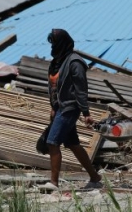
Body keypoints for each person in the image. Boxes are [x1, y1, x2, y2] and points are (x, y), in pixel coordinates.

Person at [44, 28, 103, 191]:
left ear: (63, 43)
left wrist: (86, 113)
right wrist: (52, 106)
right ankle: (95, 177)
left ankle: (54, 183)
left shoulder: (75, 62)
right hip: (59, 108)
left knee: (52, 142)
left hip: (70, 108)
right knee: (73, 144)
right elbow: (53, 88)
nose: (52, 46)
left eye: (55, 43)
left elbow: (81, 89)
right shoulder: (56, 62)